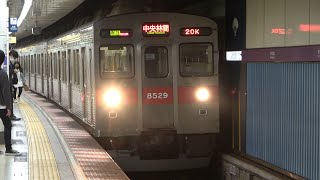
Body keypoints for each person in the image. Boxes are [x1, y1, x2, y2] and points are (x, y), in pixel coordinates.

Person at [0, 50, 22, 156]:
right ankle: (8, 149)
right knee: (8, 125)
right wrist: (9, 108)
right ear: (3, 60)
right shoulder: (3, 74)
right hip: (2, 107)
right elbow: (6, 92)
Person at [8, 49, 21, 121]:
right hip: (8, 83)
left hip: (10, 83)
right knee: (9, 99)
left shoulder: (10, 63)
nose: (14, 60)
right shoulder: (7, 62)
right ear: (12, 56)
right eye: (15, 58)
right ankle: (11, 115)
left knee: (11, 99)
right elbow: (7, 71)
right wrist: (13, 71)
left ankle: (11, 115)